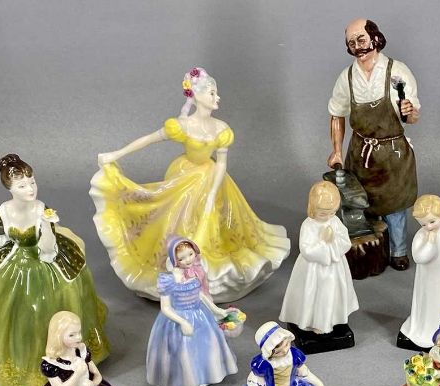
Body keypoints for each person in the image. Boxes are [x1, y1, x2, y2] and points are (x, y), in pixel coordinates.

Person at [91, 67, 290, 302]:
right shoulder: (182, 125)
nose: (217, 97)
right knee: (176, 215)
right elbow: (149, 139)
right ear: (197, 95)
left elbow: (221, 164)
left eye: (216, 93)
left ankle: (205, 271)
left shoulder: (221, 129)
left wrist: (212, 193)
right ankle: (180, 267)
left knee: (213, 217)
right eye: (212, 93)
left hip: (212, 178)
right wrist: (116, 154)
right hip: (185, 176)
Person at [0, 154, 109, 386]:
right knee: (12, 308)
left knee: (56, 297)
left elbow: (48, 250)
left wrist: (46, 225)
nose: (30, 189)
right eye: (22, 185)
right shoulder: (3, 211)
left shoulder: (41, 209)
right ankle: (22, 362)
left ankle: (63, 350)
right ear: (10, 189)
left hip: (45, 259)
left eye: (32, 182)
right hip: (16, 262)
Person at [328, 18, 420, 271]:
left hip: (393, 153)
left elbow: (412, 117)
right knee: (363, 203)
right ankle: (374, 251)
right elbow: (336, 114)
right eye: (351, 43)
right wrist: (336, 150)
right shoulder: (347, 78)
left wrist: (409, 111)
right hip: (361, 153)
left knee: (394, 205)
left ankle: (398, 251)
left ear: (375, 38)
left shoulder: (397, 71)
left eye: (361, 39)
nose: (357, 46)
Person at [146, 237, 238, 386]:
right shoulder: (168, 279)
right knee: (183, 350)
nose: (188, 260)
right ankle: (187, 383)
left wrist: (218, 310)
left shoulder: (194, 272)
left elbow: (200, 295)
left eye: (190, 254)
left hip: (199, 315)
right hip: (178, 318)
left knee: (206, 345)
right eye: (182, 258)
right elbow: (165, 308)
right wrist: (183, 322)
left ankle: (205, 375)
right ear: (174, 259)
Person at [279, 181, 359, 335]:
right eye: (323, 214)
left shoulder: (335, 222)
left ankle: (330, 319)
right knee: (312, 293)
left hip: (334, 268)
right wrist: (323, 242)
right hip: (313, 269)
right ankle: (310, 320)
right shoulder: (308, 225)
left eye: (332, 213)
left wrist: (333, 241)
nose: (328, 217)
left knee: (331, 293)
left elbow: (345, 242)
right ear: (312, 208)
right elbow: (306, 249)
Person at [398, 195, 440, 350]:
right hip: (426, 281)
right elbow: (419, 258)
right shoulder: (421, 235)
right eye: (423, 224)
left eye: (432, 221)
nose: (428, 227)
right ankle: (423, 328)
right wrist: (430, 243)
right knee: (425, 305)